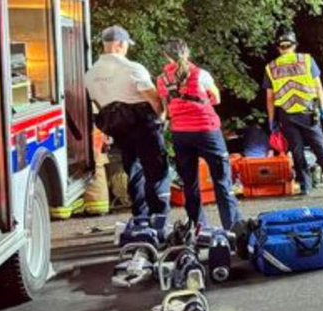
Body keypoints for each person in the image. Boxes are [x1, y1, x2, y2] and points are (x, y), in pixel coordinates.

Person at [84, 25, 170, 220]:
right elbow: (154, 99)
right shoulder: (131, 68)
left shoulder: (90, 74)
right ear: (121, 44)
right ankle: (159, 217)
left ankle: (140, 215)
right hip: (143, 123)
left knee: (133, 169)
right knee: (156, 170)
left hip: (118, 127)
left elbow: (97, 103)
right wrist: (161, 119)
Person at [157, 40, 241, 231]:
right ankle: (233, 226)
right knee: (221, 180)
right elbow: (216, 98)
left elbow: (165, 108)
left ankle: (199, 226)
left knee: (190, 182)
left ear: (166, 56)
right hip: (207, 131)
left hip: (181, 134)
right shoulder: (200, 74)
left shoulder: (162, 79)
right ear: (187, 52)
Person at [264, 31, 323, 196]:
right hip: (308, 111)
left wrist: (272, 120)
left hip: (287, 113)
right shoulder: (306, 60)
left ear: (279, 48)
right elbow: (318, 86)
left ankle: (305, 185)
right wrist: (321, 106)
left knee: (296, 150)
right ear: (294, 46)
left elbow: (270, 97)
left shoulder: (271, 68)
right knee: (319, 145)